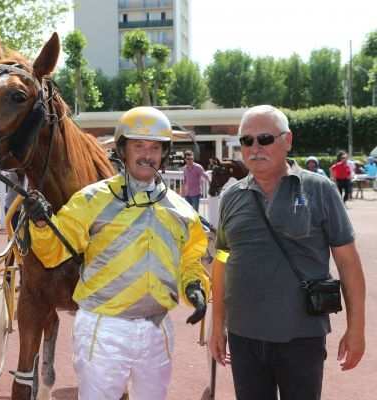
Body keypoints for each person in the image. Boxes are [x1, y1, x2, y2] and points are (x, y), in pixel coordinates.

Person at [23, 106, 210, 399]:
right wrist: (41, 224)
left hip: (157, 329)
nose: (147, 154)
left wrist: (195, 287)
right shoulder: (91, 199)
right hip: (103, 330)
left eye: (155, 147)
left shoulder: (182, 210)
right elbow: (53, 252)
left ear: (164, 153)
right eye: (139, 146)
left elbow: (190, 260)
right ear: (123, 150)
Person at [209, 105, 366, 400]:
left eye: (265, 139)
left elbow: (348, 263)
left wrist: (356, 328)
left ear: (288, 140)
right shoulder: (231, 197)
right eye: (247, 141)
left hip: (301, 336)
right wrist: (217, 325)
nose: (255, 148)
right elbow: (222, 260)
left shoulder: (319, 189)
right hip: (244, 336)